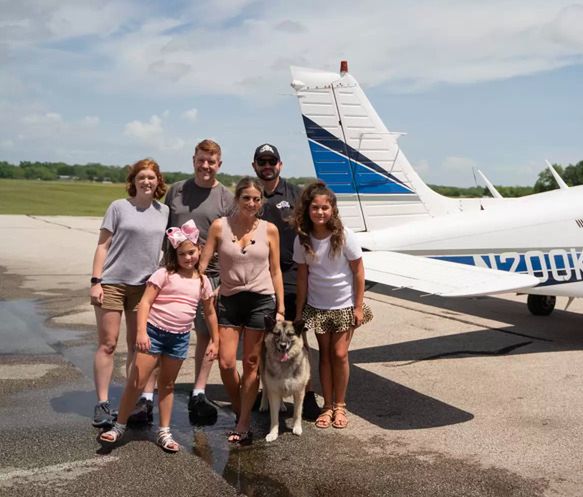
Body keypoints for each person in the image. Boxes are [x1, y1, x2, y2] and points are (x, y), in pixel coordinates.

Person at [99, 220, 219, 452]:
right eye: (182, 254)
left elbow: (210, 313)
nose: (187, 258)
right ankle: (119, 426)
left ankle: (164, 432)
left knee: (168, 385)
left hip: (179, 338)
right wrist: (142, 332)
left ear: (199, 250)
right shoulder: (164, 274)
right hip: (153, 333)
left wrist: (215, 339)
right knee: (137, 382)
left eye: (191, 252)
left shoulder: (203, 281)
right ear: (175, 254)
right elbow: (144, 303)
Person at [201, 176, 284, 444]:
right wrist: (196, 287)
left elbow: (275, 270)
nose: (251, 203)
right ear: (237, 199)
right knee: (225, 362)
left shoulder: (270, 229)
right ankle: (240, 409)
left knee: (251, 363)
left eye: (256, 199)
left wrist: (280, 307)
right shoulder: (219, 226)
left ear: (261, 202)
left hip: (261, 300)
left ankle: (244, 422)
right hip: (230, 299)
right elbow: (202, 265)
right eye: (246, 198)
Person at [90, 158, 168, 428]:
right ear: (133, 181)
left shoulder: (164, 211)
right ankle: (102, 403)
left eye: (151, 177)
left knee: (138, 346)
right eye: (141, 177)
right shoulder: (118, 207)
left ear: (158, 181)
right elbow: (103, 245)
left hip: (143, 288)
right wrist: (96, 281)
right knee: (108, 344)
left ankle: (131, 402)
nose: (146, 181)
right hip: (112, 282)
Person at [292, 181, 373, 430]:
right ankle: (327, 406)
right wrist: (299, 312)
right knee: (325, 356)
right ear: (308, 210)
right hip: (318, 306)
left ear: (333, 210)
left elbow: (359, 271)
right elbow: (303, 276)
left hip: (344, 305)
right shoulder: (303, 239)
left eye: (325, 208)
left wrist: (358, 307)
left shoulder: (344, 235)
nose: (320, 212)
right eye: (315, 207)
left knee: (339, 354)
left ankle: (340, 405)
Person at [164, 139, 233, 423]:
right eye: (201, 160)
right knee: (167, 333)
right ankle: (151, 393)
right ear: (194, 159)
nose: (206, 166)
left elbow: (230, 241)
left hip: (210, 277)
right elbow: (163, 229)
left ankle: (199, 391)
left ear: (219, 164)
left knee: (205, 336)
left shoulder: (226, 198)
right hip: (174, 274)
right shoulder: (176, 191)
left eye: (211, 161)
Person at [251, 143, 320, 421]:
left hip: (290, 276)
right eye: (262, 161)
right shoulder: (250, 195)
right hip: (258, 277)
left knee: (298, 339)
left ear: (280, 164)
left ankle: (309, 393)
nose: (267, 166)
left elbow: (314, 227)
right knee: (261, 339)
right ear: (254, 165)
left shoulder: (295, 195)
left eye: (272, 161)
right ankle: (266, 392)